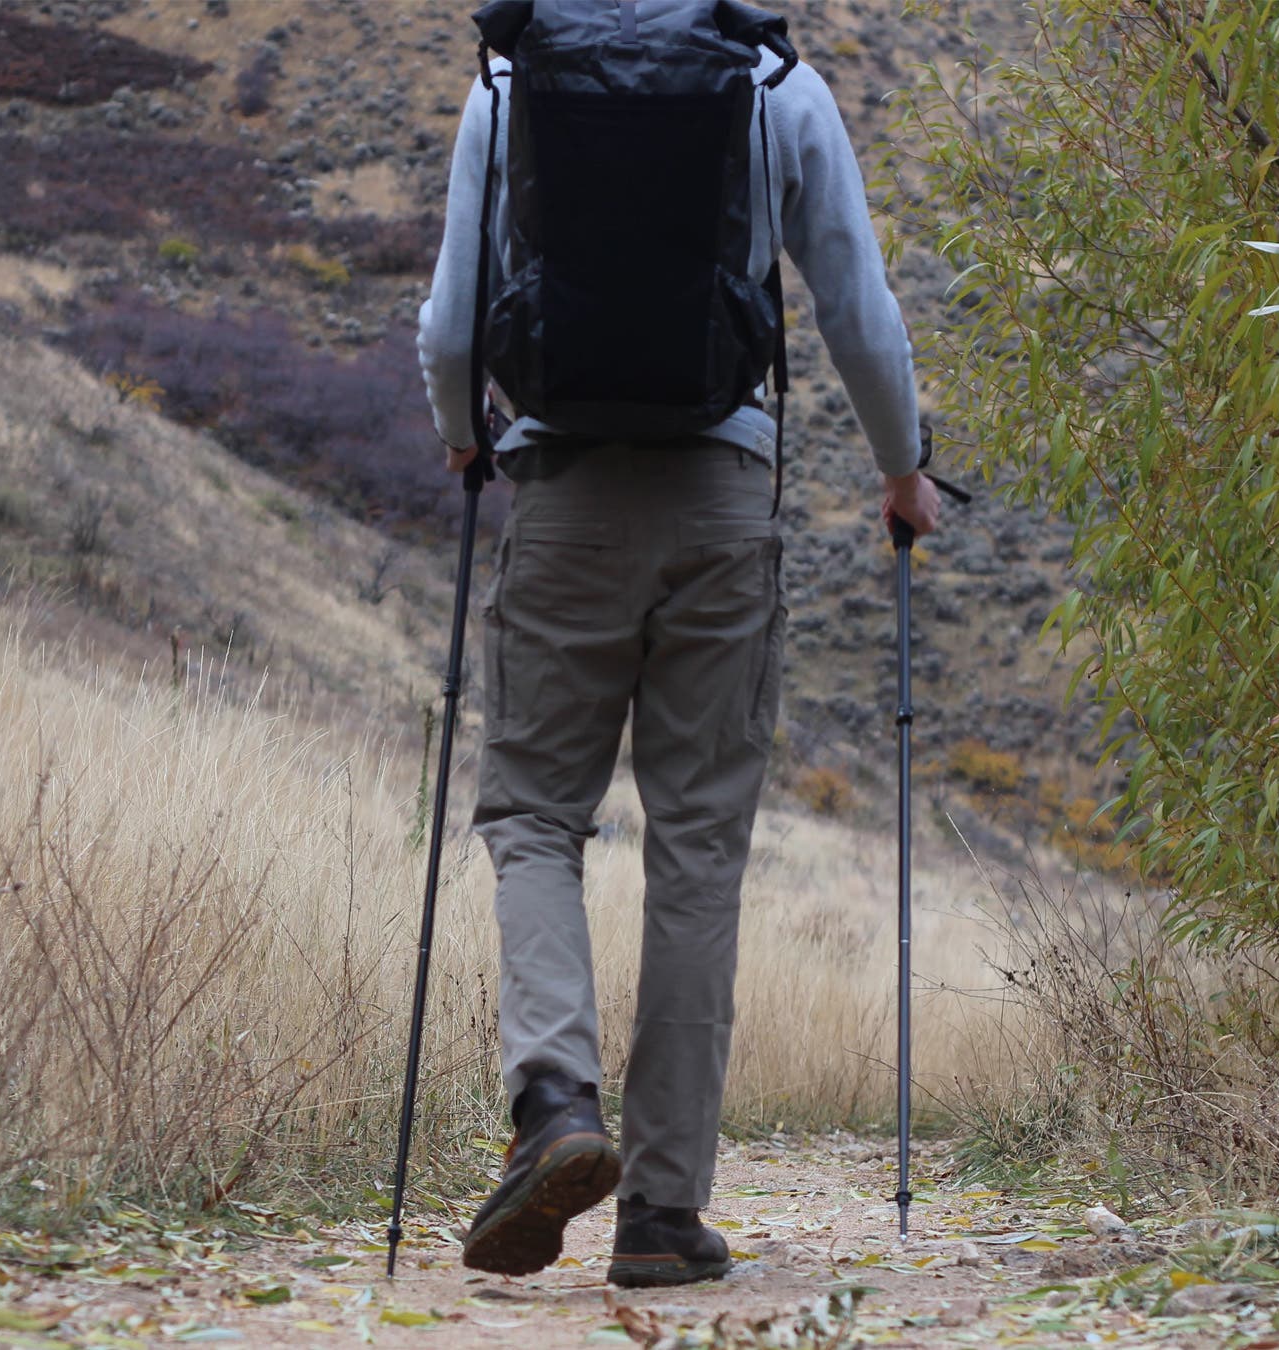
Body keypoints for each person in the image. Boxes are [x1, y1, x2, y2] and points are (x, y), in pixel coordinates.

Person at [415, 2, 939, 1289]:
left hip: (565, 495)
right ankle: (660, 1214)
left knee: (536, 811)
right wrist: (904, 470)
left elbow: (446, 329)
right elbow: (857, 312)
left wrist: (464, 434)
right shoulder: (775, 87)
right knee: (697, 848)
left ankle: (553, 1103)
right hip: (721, 501)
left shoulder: (512, 83)